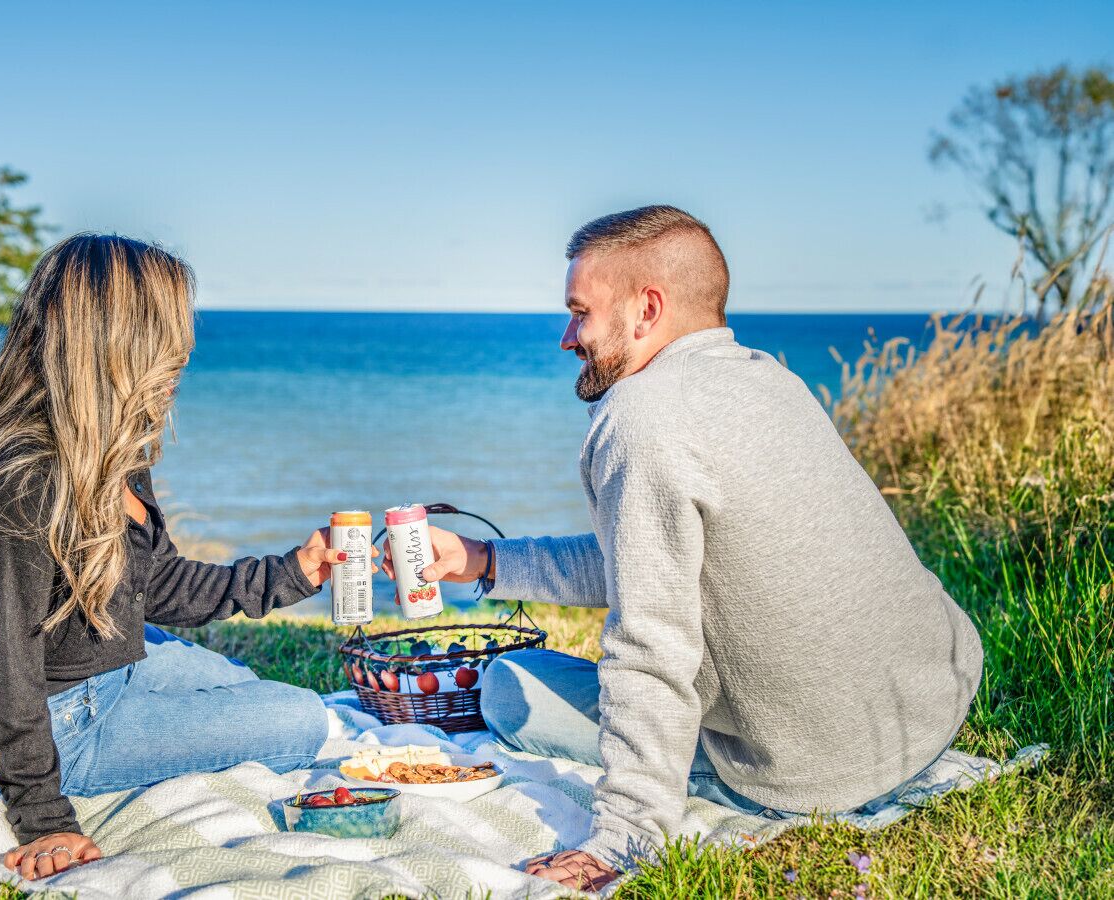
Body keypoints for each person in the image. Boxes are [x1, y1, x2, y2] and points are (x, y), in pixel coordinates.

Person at [396, 206, 983, 892]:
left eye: (580, 312)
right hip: (933, 700)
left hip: (821, 769)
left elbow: (651, 645)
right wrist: (486, 561)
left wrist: (624, 838)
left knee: (508, 686)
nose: (566, 337)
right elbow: (654, 553)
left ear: (646, 310)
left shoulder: (641, 417)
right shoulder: (770, 380)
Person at [0, 234, 367, 881]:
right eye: (172, 332)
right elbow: (9, 667)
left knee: (248, 688)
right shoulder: (18, 482)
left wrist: (294, 572)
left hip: (117, 668)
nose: (184, 352)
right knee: (301, 719)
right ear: (122, 342)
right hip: (62, 725)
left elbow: (164, 585)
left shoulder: (114, 451)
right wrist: (45, 818)